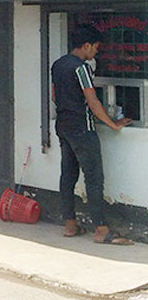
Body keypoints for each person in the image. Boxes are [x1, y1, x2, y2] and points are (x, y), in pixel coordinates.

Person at [52, 23, 133, 245]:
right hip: (82, 128)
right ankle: (101, 228)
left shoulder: (58, 65)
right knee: (94, 178)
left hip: (63, 126)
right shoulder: (81, 68)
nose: (96, 52)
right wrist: (113, 124)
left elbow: (53, 96)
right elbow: (93, 102)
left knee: (67, 176)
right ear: (86, 45)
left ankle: (70, 224)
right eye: (95, 47)